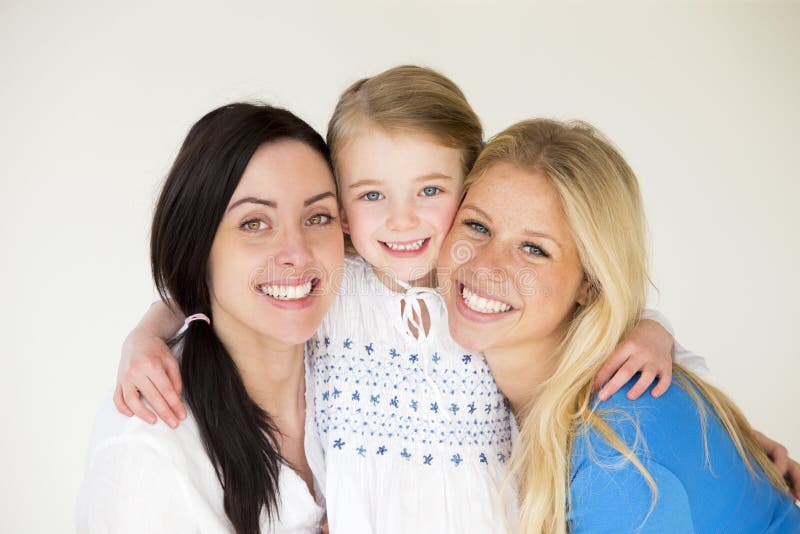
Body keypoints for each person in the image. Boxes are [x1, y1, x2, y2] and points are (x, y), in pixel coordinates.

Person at [112, 67, 704, 532]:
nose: (401, 220)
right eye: (371, 195)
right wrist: (148, 331)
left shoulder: (476, 295)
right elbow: (221, 290)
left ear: (472, 188)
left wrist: (652, 330)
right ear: (340, 209)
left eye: (430, 189)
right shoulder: (332, 286)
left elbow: (595, 323)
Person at [437, 118, 800, 533]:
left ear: (590, 284)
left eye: (534, 249)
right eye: (477, 226)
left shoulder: (617, 451)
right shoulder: (497, 386)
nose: (485, 265)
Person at [76, 103, 344, 534]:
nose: (298, 253)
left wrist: (151, 325)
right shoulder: (147, 449)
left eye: (318, 217)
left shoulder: (360, 347)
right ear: (199, 243)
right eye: (255, 223)